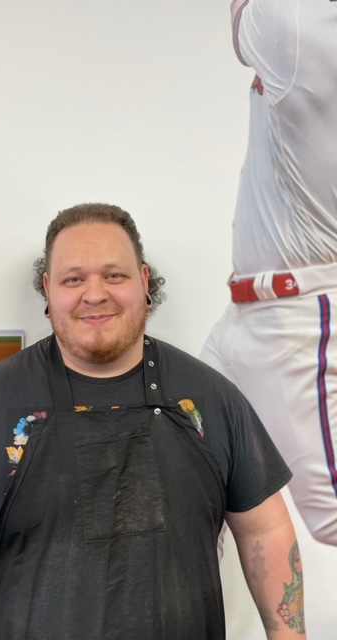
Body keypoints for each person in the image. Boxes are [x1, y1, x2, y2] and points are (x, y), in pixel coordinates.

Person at [0, 204, 305, 640]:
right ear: (48, 290)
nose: (95, 294)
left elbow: (266, 527)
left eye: (114, 275)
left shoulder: (211, 399)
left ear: (144, 282)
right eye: (74, 279)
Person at [200, 0, 337, 548]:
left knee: (331, 519)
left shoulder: (300, 25)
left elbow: (244, 21)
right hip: (242, 314)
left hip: (298, 316)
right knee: (186, 457)